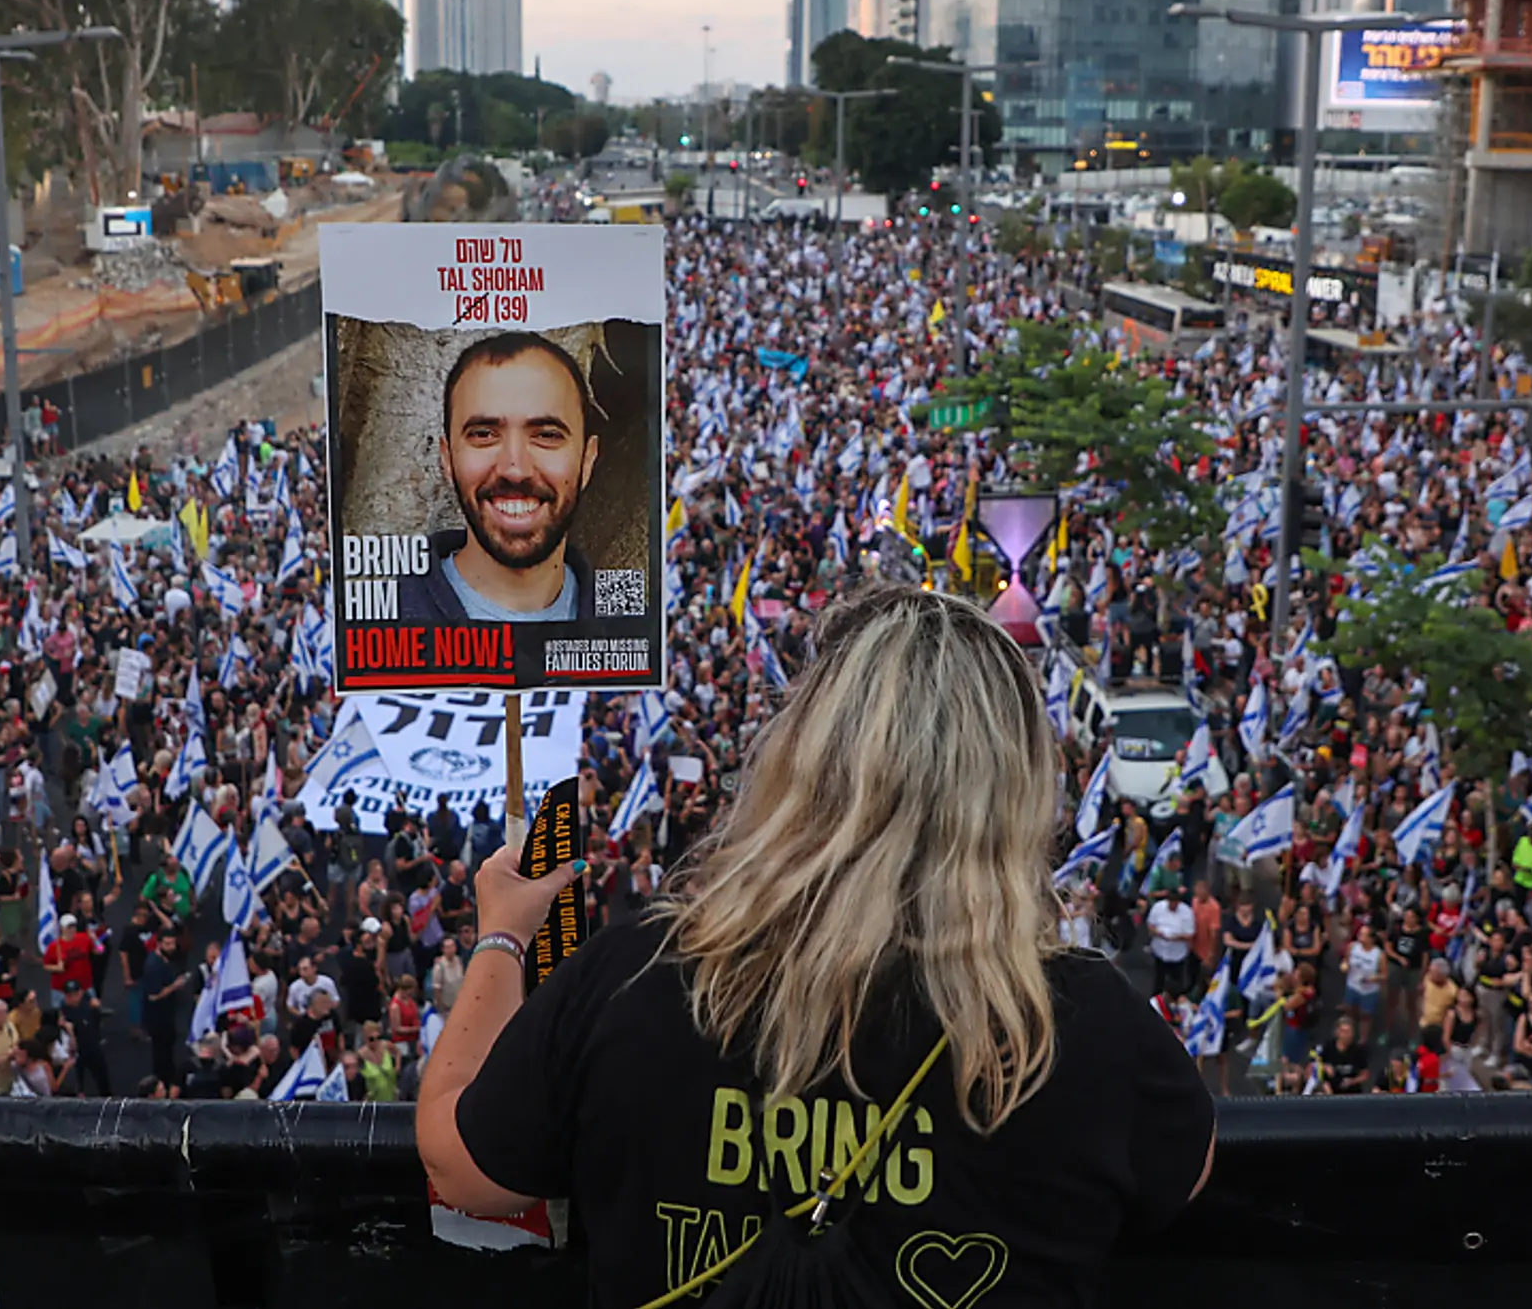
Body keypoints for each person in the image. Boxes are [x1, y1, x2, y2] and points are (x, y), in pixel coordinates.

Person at [417, 586, 1215, 1308]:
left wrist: (502, 936)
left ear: (797, 757)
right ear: (1016, 792)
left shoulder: (638, 974)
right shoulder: (1086, 1022)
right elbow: (1188, 1173)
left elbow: (461, 1169)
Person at [396, 332, 603, 623]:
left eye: (546, 435)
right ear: (447, 458)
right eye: (484, 435)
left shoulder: (629, 619)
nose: (515, 469)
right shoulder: (383, 618)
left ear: (587, 459)